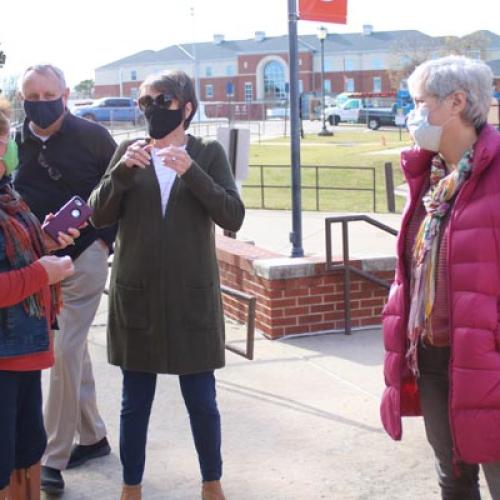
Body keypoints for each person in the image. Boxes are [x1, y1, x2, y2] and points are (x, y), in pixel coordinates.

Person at [89, 70, 245, 500]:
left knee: (201, 400)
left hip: (190, 298)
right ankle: (131, 486)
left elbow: (232, 215)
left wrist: (192, 172)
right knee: (134, 403)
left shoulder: (208, 152)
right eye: (144, 102)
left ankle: (211, 482)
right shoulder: (128, 150)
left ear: (187, 107)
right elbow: (98, 213)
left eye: (163, 101)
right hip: (136, 296)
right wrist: (122, 172)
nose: (152, 110)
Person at [380, 55, 500, 499]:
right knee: (453, 476)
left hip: (487, 357)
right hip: (432, 355)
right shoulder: (432, 177)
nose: (413, 114)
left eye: (420, 102)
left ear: (457, 103)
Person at [14, 64, 117, 494]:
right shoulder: (14, 140)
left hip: (83, 260)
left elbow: (118, 192)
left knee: (61, 349)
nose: (40, 102)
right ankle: (92, 436)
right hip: (36, 264)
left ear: (67, 93)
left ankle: (51, 458)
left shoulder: (93, 137)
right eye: (31, 96)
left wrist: (103, 244)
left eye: (48, 93)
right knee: (74, 351)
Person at [0, 98, 78, 499]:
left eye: (1, 135)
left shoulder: (7, 193)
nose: (2, 145)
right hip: (5, 353)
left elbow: (16, 253)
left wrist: (43, 239)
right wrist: (41, 273)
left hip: (25, 348)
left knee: (26, 448)